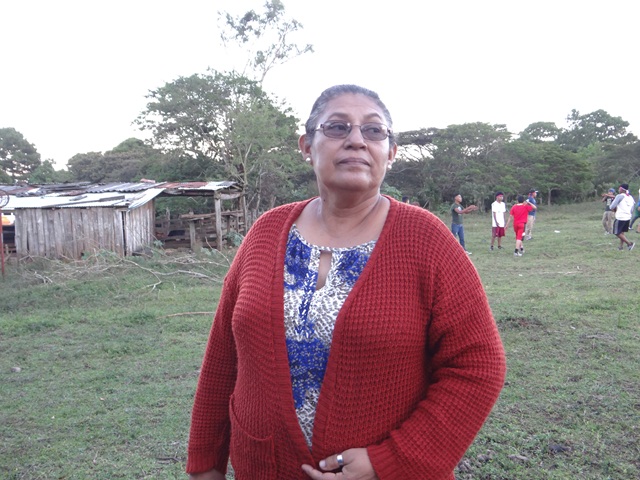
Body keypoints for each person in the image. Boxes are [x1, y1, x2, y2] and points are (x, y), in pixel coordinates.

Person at [186, 84, 506, 480]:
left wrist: (389, 461)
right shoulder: (266, 232)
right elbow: (223, 356)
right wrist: (205, 461)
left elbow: (478, 365)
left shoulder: (426, 239)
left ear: (390, 152)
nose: (356, 139)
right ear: (307, 145)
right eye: (337, 127)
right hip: (263, 467)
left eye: (374, 130)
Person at [609, 183, 635, 251]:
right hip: (628, 217)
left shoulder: (619, 196)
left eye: (619, 188)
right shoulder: (630, 197)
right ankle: (620, 247)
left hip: (620, 217)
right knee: (622, 232)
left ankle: (629, 244)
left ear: (621, 189)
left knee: (616, 232)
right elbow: (632, 208)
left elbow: (611, 206)